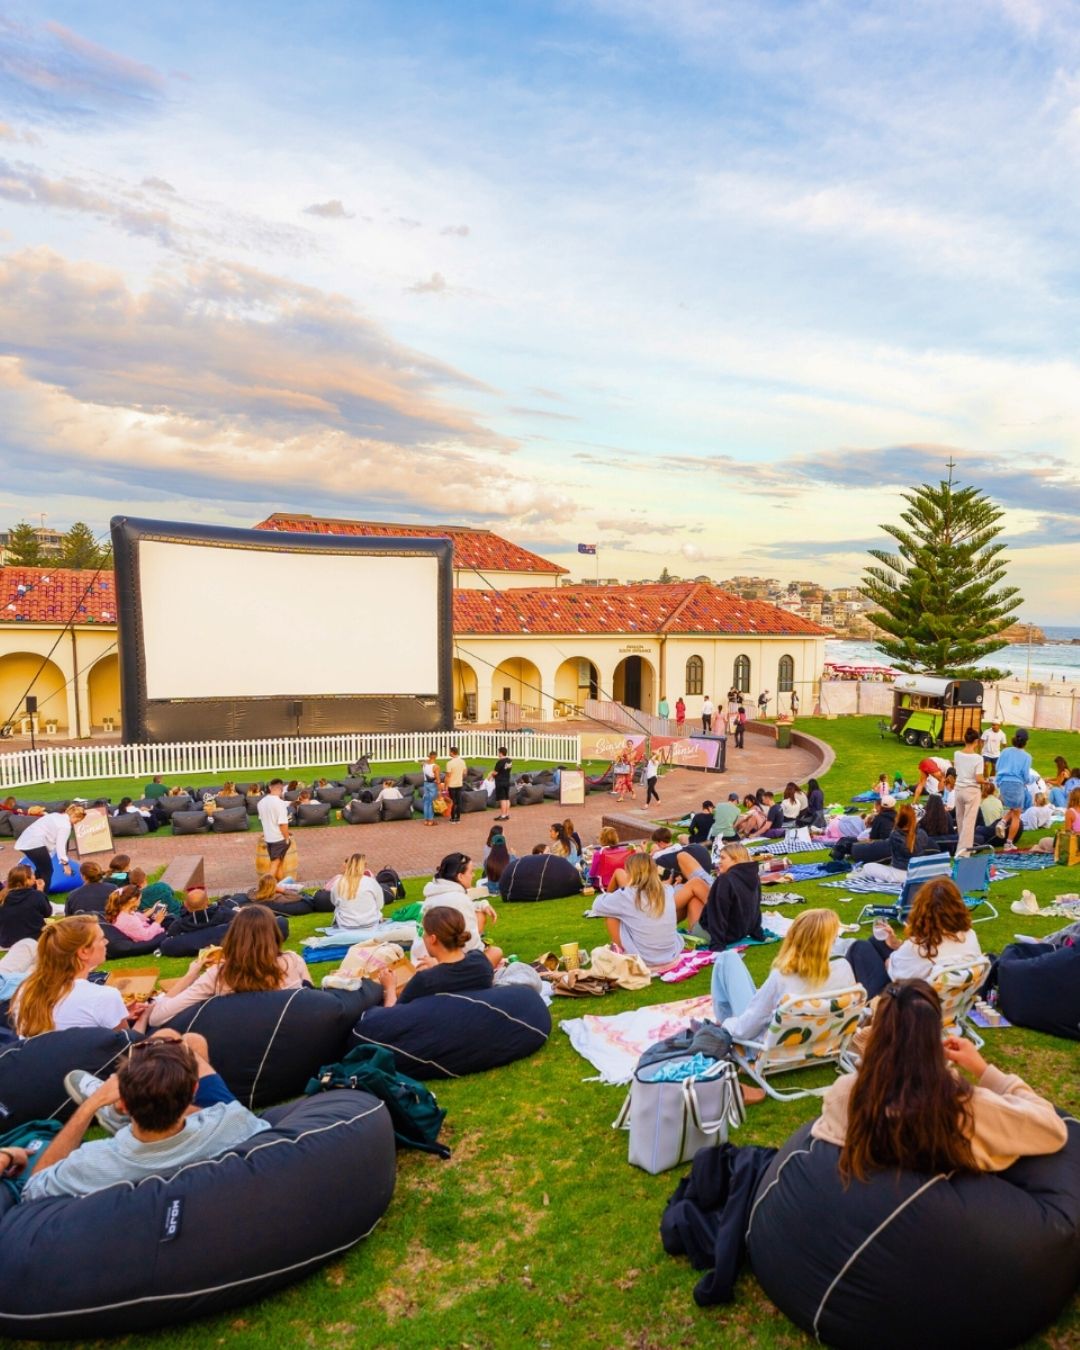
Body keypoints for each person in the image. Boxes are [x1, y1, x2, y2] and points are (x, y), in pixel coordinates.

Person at [812, 978, 1067, 1175]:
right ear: (935, 1036)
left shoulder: (845, 1094)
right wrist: (983, 1069)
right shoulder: (966, 1107)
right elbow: (1052, 1128)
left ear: (876, 1033)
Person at [11, 1033, 271, 1202]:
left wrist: (91, 1105)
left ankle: (110, 1112)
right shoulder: (232, 1120)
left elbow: (34, 1187)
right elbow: (262, 1132)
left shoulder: (93, 1162)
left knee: (172, 1039)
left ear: (122, 1103)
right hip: (201, 1134)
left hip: (136, 1143)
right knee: (180, 1041)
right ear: (194, 1092)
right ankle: (135, 1109)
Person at [146, 905, 310, 1028]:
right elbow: (313, 999)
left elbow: (156, 1017)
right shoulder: (293, 961)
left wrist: (190, 975)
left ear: (233, 936)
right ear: (273, 934)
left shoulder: (219, 974)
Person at [711, 908, 856, 1042]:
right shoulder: (843, 967)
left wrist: (727, 1024)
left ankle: (722, 1019)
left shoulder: (783, 977)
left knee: (727, 958)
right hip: (821, 1040)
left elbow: (745, 1030)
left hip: (765, 1044)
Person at [846, 877, 982, 998]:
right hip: (947, 994)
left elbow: (894, 972)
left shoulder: (918, 947)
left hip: (907, 1003)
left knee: (859, 948)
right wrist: (896, 945)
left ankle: (855, 999)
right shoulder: (969, 935)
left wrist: (889, 960)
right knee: (876, 941)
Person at [12, 916, 130, 1036]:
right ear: (84, 952)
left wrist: (116, 1013)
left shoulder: (26, 990)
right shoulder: (104, 996)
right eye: (101, 939)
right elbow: (130, 1047)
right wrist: (145, 1017)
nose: (106, 942)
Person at [377, 907, 497, 1009]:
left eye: (424, 933)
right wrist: (438, 966)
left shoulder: (426, 980)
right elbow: (455, 973)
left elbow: (392, 1015)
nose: (423, 937)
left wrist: (389, 988)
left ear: (432, 939)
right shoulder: (480, 960)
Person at [590, 853, 683, 969]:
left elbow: (597, 906)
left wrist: (618, 891)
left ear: (630, 872)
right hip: (671, 956)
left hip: (644, 960)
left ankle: (620, 951)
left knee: (611, 914)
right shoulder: (667, 890)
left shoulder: (627, 895)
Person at [419, 853, 500, 962]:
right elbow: (470, 944)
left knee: (479, 913)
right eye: (471, 872)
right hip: (446, 961)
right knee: (496, 952)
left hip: (424, 957)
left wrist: (482, 904)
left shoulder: (434, 894)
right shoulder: (459, 899)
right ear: (460, 876)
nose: (474, 875)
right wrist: (483, 950)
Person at [17, 804, 86, 895]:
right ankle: (42, 897)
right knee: (48, 870)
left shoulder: (55, 815)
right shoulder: (65, 826)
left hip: (24, 841)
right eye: (78, 820)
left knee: (41, 868)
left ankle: (34, 892)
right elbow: (60, 846)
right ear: (74, 816)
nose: (77, 822)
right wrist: (65, 864)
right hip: (35, 844)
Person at [859, 802, 931, 885]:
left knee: (868, 866)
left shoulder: (896, 835)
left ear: (900, 818)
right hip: (918, 872)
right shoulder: (922, 833)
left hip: (901, 874)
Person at [994, 728, 1033, 848]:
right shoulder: (1027, 757)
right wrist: (1032, 780)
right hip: (1017, 785)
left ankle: (1003, 822)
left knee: (1014, 809)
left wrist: (1000, 781)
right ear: (1026, 741)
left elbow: (997, 767)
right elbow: (1026, 776)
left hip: (1003, 783)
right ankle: (1009, 843)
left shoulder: (1005, 751)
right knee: (1017, 814)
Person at [328, 853, 385, 929]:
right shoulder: (371, 882)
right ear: (364, 866)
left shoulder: (338, 882)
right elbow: (379, 904)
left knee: (339, 907)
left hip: (346, 925)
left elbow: (334, 901)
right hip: (370, 924)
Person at [952, 727, 985, 856]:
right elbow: (978, 778)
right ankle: (963, 853)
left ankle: (961, 848)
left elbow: (958, 770)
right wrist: (987, 781)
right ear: (976, 741)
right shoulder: (978, 758)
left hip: (959, 789)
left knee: (960, 821)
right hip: (972, 790)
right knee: (969, 823)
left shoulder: (957, 754)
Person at [0, 865, 51, 947]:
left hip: (7, 941)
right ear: (26, 880)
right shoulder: (36, 895)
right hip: (34, 939)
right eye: (33, 874)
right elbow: (47, 913)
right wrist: (41, 892)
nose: (35, 877)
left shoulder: (2, 896)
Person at [257, 779, 292, 881]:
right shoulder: (280, 803)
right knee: (275, 864)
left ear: (269, 788)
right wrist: (286, 838)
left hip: (269, 839)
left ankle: (281, 886)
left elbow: (263, 820)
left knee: (279, 864)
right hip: (279, 839)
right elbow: (282, 824)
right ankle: (265, 888)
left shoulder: (260, 803)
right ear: (281, 789)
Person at [444, 747, 466, 823]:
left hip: (451, 785)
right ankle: (458, 818)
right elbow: (464, 773)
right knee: (459, 801)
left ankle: (453, 818)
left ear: (452, 752)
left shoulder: (449, 763)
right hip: (459, 784)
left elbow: (448, 776)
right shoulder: (462, 761)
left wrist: (445, 786)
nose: (449, 753)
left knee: (453, 801)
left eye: (450, 752)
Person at [421, 750, 442, 827]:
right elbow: (438, 780)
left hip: (425, 783)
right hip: (432, 785)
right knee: (430, 803)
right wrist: (439, 791)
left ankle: (426, 820)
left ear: (429, 756)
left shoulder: (424, 765)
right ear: (436, 756)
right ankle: (430, 821)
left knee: (426, 802)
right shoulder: (436, 766)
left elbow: (423, 763)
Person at [492, 746, 513, 821]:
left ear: (501, 753)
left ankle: (503, 815)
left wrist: (492, 774)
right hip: (507, 780)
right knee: (507, 798)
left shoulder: (500, 762)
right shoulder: (509, 761)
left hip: (500, 781)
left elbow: (495, 772)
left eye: (498, 753)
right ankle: (507, 814)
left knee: (502, 799)